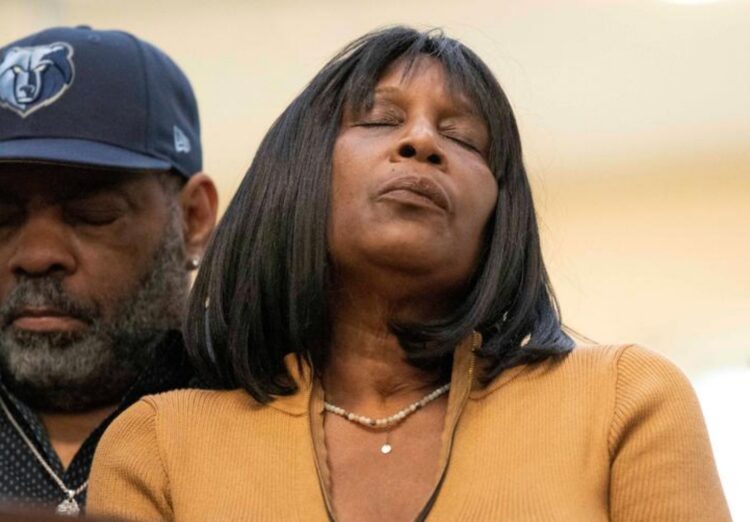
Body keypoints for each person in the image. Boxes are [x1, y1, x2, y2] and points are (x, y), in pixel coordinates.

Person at [88, 27, 730, 521]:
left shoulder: (625, 400)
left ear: (499, 217)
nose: (422, 142)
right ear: (297, 174)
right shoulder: (158, 443)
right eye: (380, 120)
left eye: (464, 138)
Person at [0, 26, 218, 516]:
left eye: (93, 214)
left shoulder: (274, 418)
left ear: (193, 219)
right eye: (1, 218)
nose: (36, 255)